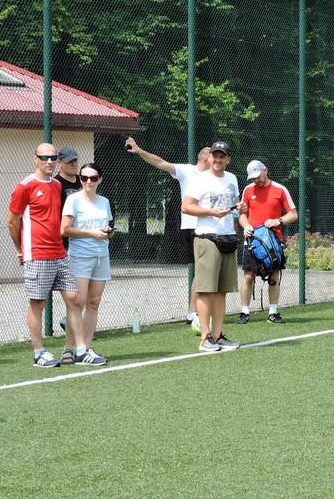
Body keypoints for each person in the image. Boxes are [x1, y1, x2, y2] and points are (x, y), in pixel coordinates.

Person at [7, 143, 81, 368]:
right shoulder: (25, 186)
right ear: (35, 159)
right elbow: (12, 221)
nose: (49, 161)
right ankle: (39, 352)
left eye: (53, 157)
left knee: (74, 299)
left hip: (60, 252)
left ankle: (78, 350)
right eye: (44, 157)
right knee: (38, 303)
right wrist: (20, 249)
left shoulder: (56, 185)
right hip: (38, 253)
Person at [126, 137, 212, 331]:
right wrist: (139, 150)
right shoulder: (187, 170)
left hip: (211, 227)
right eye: (214, 157)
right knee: (202, 270)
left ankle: (196, 311)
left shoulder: (215, 177)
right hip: (192, 227)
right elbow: (160, 163)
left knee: (206, 270)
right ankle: (193, 312)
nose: (217, 160)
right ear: (205, 158)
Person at [181, 141, 241, 352]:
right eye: (215, 155)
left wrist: (239, 208)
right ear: (209, 158)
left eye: (222, 156)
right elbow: (186, 206)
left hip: (228, 238)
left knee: (222, 291)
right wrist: (211, 212)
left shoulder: (232, 178)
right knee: (206, 291)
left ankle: (218, 335)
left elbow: (234, 207)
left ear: (228, 159)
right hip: (207, 238)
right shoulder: (201, 179)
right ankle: (205, 337)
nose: (217, 159)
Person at [61, 162, 112, 366]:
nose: (88, 181)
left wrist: (107, 233)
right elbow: (65, 230)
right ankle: (69, 349)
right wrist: (91, 233)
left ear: (100, 179)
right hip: (80, 257)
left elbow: (105, 227)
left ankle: (87, 348)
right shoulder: (73, 200)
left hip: (101, 255)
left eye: (93, 178)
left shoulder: (104, 202)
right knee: (77, 303)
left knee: (93, 302)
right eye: (84, 178)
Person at [238, 159, 298, 324]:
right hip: (252, 242)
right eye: (253, 178)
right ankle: (244, 312)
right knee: (248, 276)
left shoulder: (280, 189)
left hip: (273, 242)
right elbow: (242, 215)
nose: (256, 180)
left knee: (274, 276)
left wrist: (278, 221)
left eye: (258, 176)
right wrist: (246, 225)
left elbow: (293, 214)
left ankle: (273, 312)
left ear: (265, 170)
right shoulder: (248, 190)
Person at [54, 145, 81, 363]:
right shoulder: (55, 185)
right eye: (69, 161)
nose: (73, 164)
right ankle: (68, 349)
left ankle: (76, 341)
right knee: (73, 300)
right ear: (60, 163)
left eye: (75, 160)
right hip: (62, 248)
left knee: (81, 300)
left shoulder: (84, 181)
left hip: (84, 247)